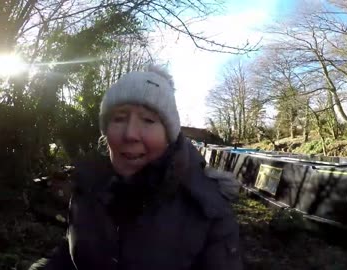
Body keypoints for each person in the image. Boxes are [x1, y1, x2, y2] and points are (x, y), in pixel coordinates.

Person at [30, 64, 242, 270]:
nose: (130, 134)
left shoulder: (208, 208)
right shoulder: (88, 186)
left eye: (148, 120)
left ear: (169, 136)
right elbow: (72, 254)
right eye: (119, 118)